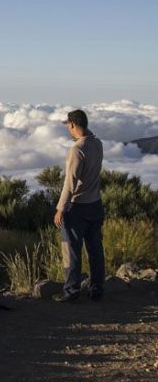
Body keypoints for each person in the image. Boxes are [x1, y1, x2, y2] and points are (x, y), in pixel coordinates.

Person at [53, 109, 105, 302]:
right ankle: (97, 289)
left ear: (73, 125)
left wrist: (60, 208)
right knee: (95, 250)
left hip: (78, 208)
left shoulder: (77, 149)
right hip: (96, 204)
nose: (68, 128)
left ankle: (71, 292)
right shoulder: (97, 143)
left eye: (68, 125)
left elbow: (70, 182)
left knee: (72, 251)